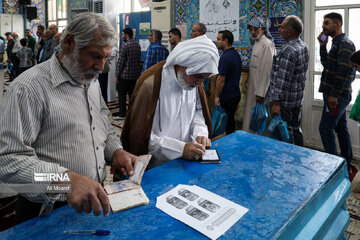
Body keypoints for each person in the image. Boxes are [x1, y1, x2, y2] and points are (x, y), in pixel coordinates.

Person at [0, 13, 136, 224]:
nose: (101, 67)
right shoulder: (28, 88)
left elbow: (102, 126)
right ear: (70, 43)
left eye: (106, 58)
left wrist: (115, 150)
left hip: (92, 201)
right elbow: (9, 163)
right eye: (95, 56)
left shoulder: (90, 80)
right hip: (46, 211)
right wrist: (66, 181)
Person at [121, 34, 219, 170]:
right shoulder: (151, 84)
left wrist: (200, 133)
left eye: (204, 78)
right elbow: (141, 137)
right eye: (198, 77)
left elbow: (197, 111)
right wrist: (180, 149)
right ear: (183, 65)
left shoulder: (194, 83)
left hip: (186, 163)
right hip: (156, 167)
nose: (200, 83)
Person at [317, 12, 356, 175]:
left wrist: (333, 95)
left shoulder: (345, 44)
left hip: (337, 96)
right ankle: (346, 164)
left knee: (325, 129)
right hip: (334, 94)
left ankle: (334, 170)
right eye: (323, 23)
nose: (323, 26)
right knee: (341, 128)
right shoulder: (336, 43)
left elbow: (343, 72)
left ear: (337, 24)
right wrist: (322, 45)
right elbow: (327, 64)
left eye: (326, 23)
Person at [268, 15, 309, 146]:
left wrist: (276, 103)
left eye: (282, 27)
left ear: (290, 31)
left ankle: (289, 162)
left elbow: (282, 80)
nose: (279, 29)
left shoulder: (289, 50)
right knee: (296, 129)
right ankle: (299, 159)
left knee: (285, 134)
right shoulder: (303, 45)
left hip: (285, 101)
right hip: (297, 98)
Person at [242, 18, 276, 132]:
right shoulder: (257, 43)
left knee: (260, 120)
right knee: (251, 118)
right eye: (251, 29)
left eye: (255, 29)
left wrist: (261, 93)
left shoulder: (267, 45)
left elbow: (267, 71)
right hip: (253, 89)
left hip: (261, 92)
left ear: (263, 30)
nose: (252, 32)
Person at [214, 30, 241, 135]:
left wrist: (216, 96)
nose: (216, 41)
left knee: (227, 124)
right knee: (230, 122)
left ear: (225, 41)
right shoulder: (236, 54)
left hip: (227, 97)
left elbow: (221, 79)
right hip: (235, 95)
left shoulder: (225, 58)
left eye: (219, 39)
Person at [115, 27, 141, 120]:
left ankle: (122, 114)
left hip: (124, 76)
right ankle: (132, 114)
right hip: (134, 76)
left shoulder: (125, 45)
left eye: (122, 35)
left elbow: (121, 62)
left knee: (121, 95)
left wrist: (117, 75)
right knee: (131, 96)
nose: (122, 37)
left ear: (126, 35)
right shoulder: (137, 45)